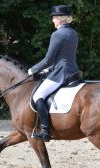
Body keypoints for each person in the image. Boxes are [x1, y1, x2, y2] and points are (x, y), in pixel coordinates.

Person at [28, 5, 79, 142]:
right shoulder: (73, 33)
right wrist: (48, 70)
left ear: (61, 19)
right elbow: (64, 57)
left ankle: (45, 130)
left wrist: (33, 69)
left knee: (38, 95)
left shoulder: (57, 34)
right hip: (72, 71)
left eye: (54, 18)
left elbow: (48, 59)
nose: (53, 21)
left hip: (61, 74)